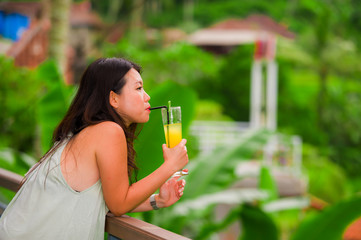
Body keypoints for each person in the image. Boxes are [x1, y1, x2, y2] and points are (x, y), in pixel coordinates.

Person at [0, 57, 189, 239]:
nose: (147, 96)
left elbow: (105, 200)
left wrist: (158, 201)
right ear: (113, 99)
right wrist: (170, 166)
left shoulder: (85, 132)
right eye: (138, 88)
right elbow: (118, 205)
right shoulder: (109, 130)